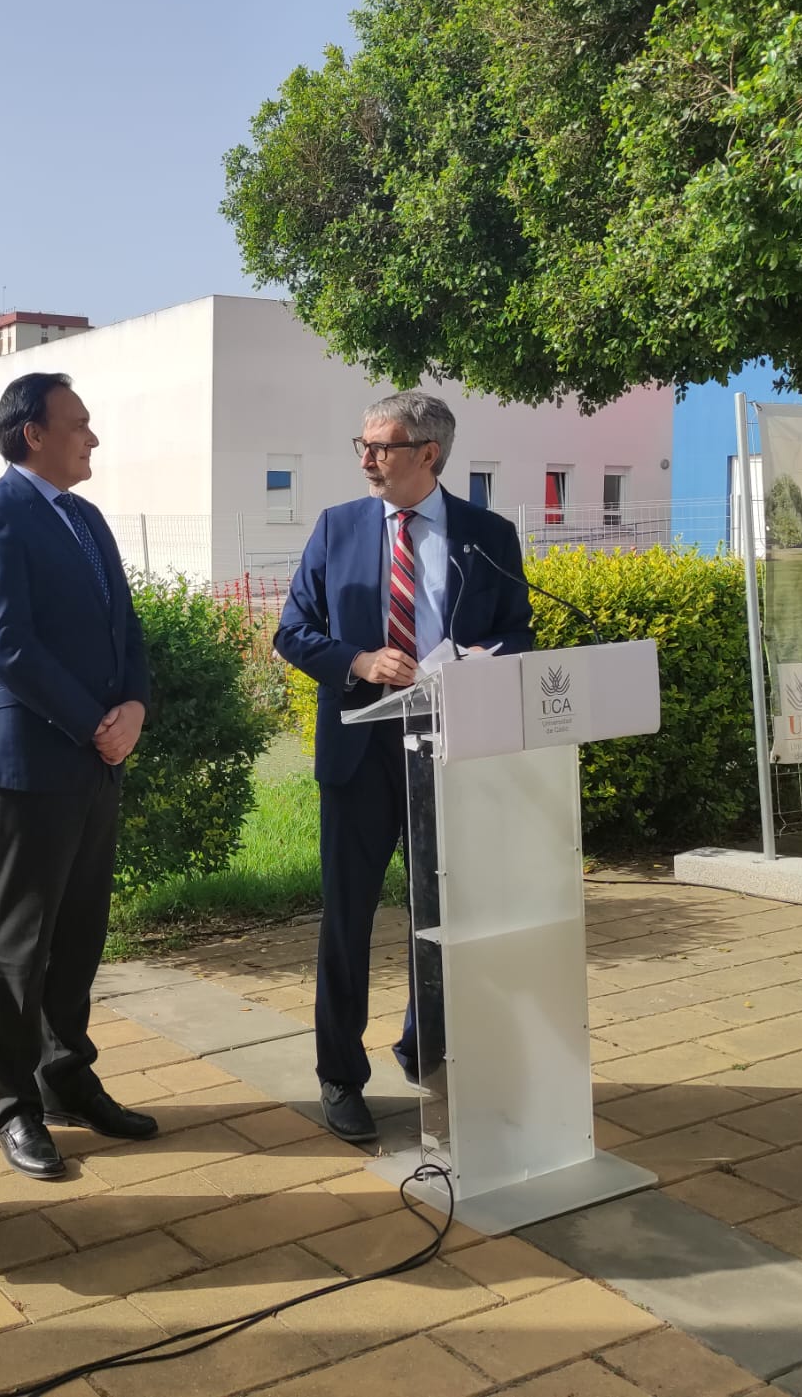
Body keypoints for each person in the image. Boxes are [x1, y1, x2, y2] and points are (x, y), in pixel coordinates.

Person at [274, 390, 534, 1146]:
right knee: (347, 918)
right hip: (361, 746)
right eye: (360, 444)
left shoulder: (488, 535)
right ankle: (340, 1076)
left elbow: (518, 632)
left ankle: (429, 1048)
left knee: (446, 911)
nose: (365, 459)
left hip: (452, 743)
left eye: (380, 447)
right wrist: (358, 658)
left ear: (429, 454)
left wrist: (484, 659)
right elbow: (293, 632)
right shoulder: (337, 528)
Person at [0, 372, 156, 1182]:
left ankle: (66, 1075)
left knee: (79, 935)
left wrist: (133, 706)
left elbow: (124, 627)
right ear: (33, 432)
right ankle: (11, 1104)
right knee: (15, 945)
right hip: (26, 761)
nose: (92, 437)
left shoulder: (88, 520)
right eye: (79, 423)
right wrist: (93, 724)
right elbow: (6, 645)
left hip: (95, 758)